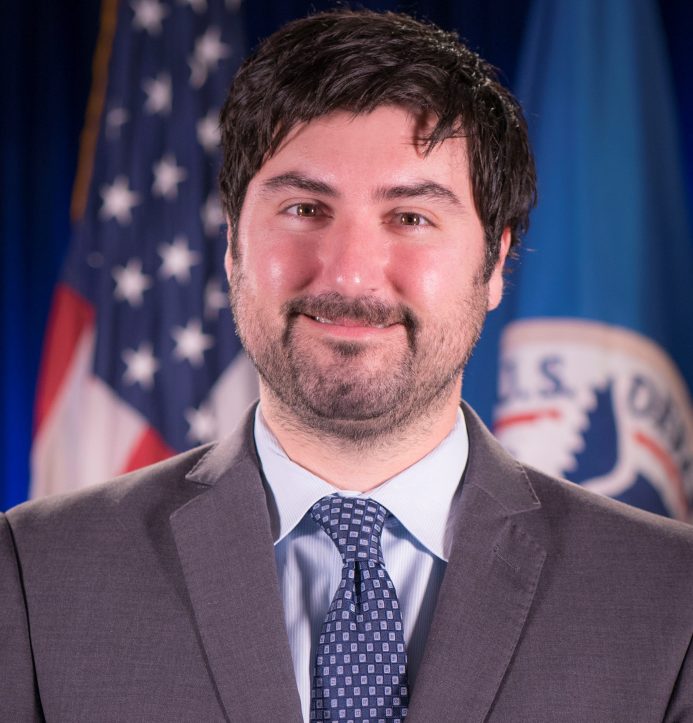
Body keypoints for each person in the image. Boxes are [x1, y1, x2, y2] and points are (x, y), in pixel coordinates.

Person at [2, 9, 692, 722]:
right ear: (233, 244)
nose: (351, 274)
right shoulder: (32, 574)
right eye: (304, 208)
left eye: (411, 218)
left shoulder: (672, 598)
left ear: (495, 262)